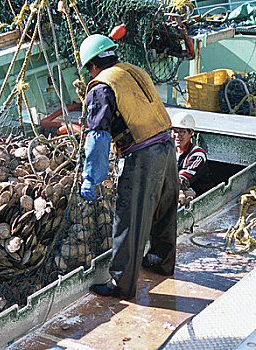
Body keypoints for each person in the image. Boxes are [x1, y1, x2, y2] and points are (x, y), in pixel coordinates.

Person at [79, 34, 179, 299]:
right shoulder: (133, 71)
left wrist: (92, 177)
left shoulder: (100, 87)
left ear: (92, 66)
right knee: (164, 210)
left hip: (143, 155)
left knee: (130, 218)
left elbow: (98, 137)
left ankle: (122, 284)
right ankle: (161, 261)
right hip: (168, 148)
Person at [171, 112, 214, 196]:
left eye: (182, 132)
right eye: (175, 131)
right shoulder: (169, 151)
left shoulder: (198, 154)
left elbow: (183, 179)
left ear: (191, 133)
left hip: (200, 195)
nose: (177, 136)